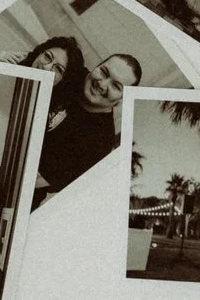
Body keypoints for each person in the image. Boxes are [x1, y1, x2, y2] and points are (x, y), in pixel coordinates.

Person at [33, 44, 142, 194]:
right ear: (96, 66)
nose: (102, 84)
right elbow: (35, 64)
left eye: (116, 86)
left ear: (122, 99)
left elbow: (35, 179)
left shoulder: (100, 142)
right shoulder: (74, 73)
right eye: (104, 72)